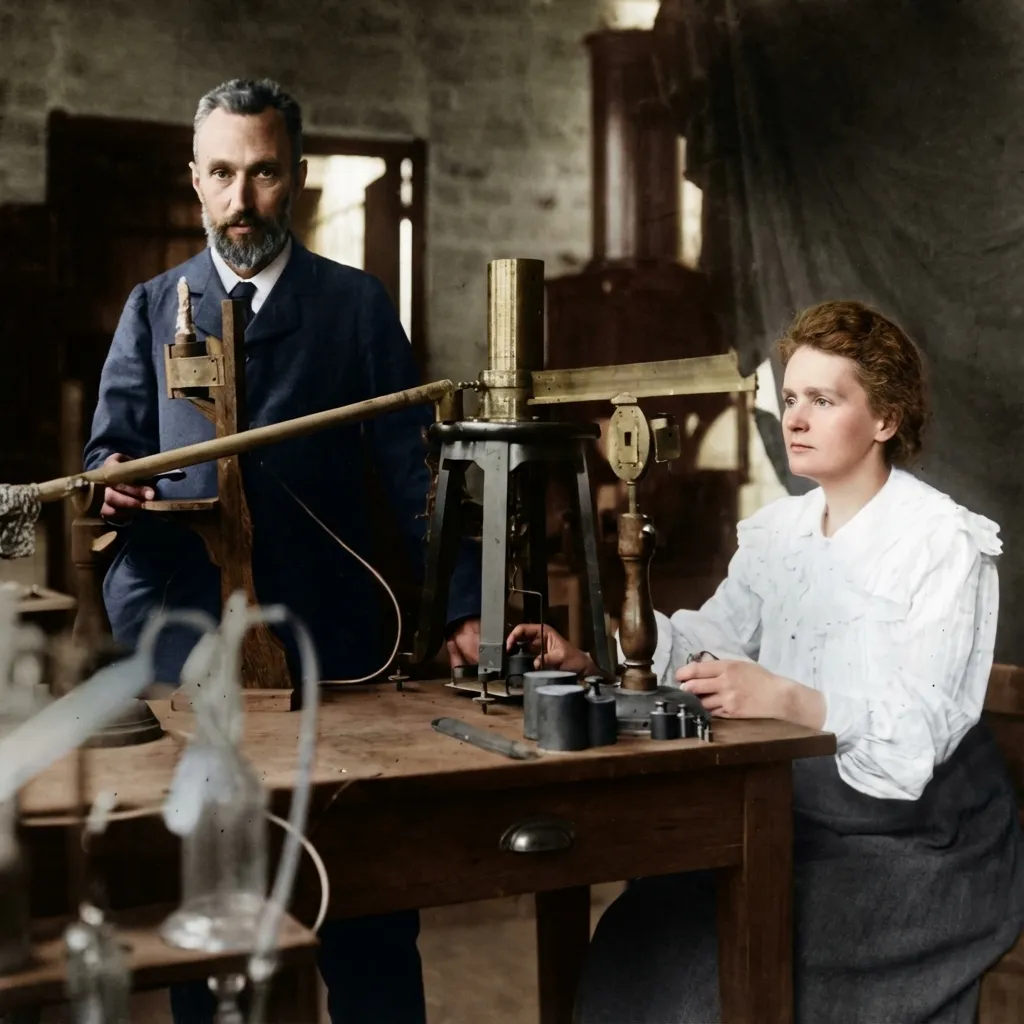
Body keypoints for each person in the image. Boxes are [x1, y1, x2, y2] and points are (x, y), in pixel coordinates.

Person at [84, 78, 482, 1024]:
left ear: (295, 177)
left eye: (263, 173)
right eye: (222, 174)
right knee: (212, 918)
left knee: (369, 916)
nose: (241, 199)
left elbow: (413, 476)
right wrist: (112, 474)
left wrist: (464, 608)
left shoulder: (353, 306)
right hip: (188, 657)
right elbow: (109, 448)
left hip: (332, 653)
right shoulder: (152, 307)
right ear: (195, 180)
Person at [508, 300, 1024, 1023]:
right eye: (789, 398)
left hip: (919, 845)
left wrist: (786, 700)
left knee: (708, 967)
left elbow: (918, 736)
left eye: (824, 398)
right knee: (640, 933)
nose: (797, 418)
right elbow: (706, 642)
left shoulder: (940, 541)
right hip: (792, 820)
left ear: (886, 419)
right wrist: (594, 653)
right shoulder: (778, 532)